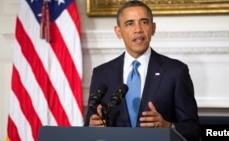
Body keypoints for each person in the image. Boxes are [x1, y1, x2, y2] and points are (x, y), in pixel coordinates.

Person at [84, 1, 202, 141]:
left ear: (153, 28)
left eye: (144, 22)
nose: (138, 29)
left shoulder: (176, 72)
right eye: (130, 23)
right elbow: (89, 127)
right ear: (118, 32)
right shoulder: (101, 74)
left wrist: (169, 127)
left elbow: (194, 130)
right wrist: (92, 127)